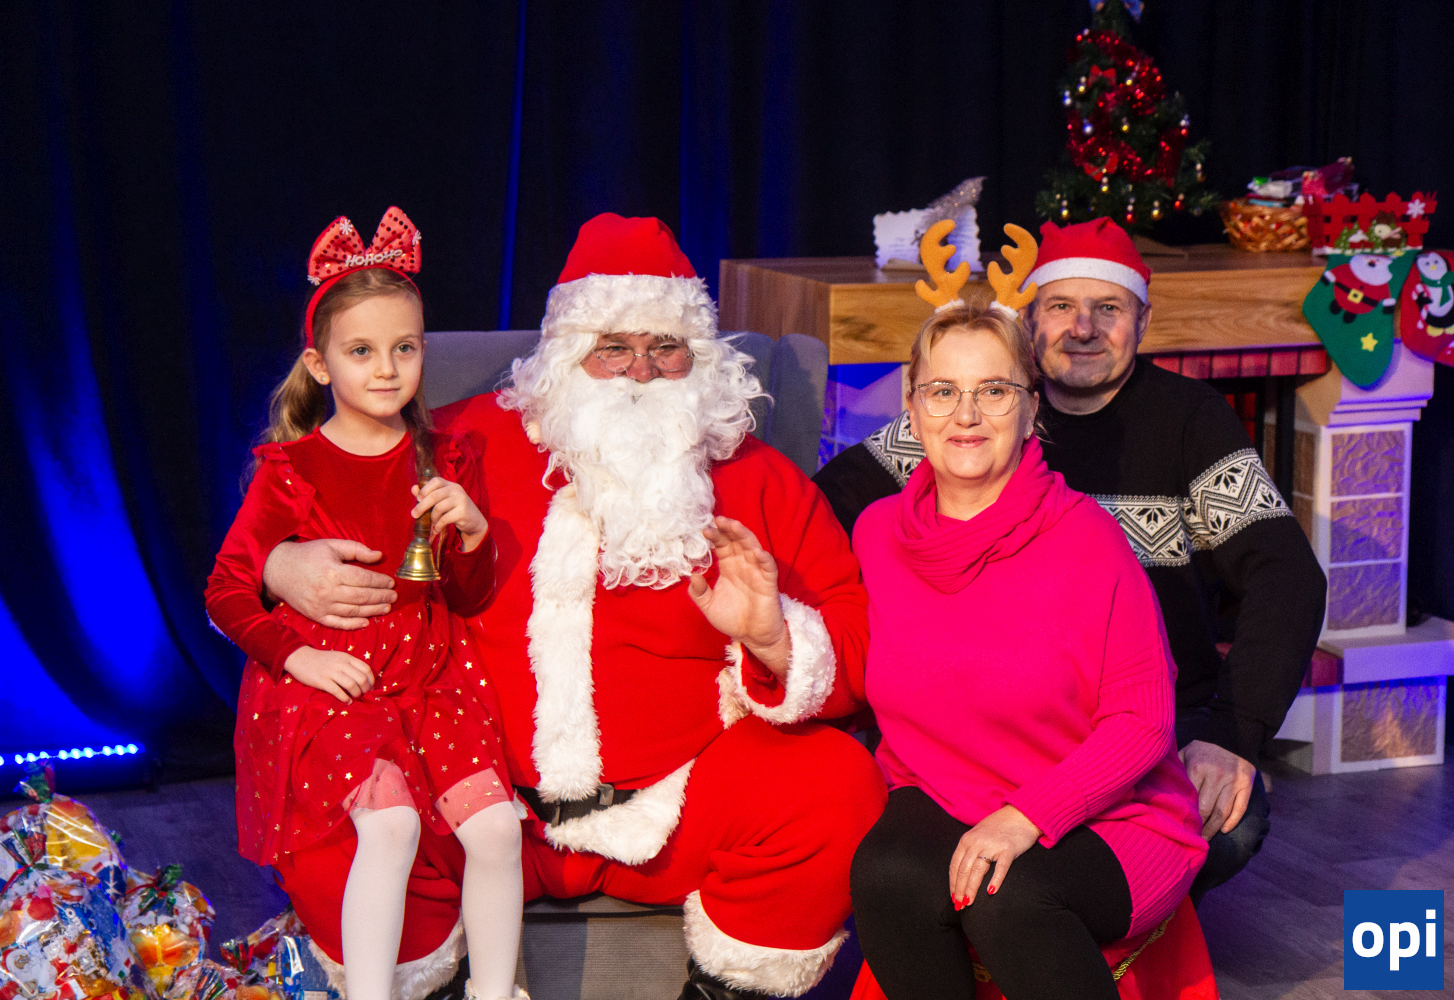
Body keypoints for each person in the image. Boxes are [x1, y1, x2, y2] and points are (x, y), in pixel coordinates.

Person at [258, 214, 886, 1000]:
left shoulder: (756, 477)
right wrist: (281, 565)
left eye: (666, 348)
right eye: (612, 347)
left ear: (698, 357)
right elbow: (302, 499)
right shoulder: (458, 443)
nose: (640, 373)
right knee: (335, 798)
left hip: (681, 809)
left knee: (838, 786)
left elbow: (856, 641)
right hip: (477, 805)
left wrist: (772, 638)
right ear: (565, 350)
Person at [816, 217, 1327, 901]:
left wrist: (1234, 733)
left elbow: (1286, 577)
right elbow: (824, 506)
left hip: (1144, 728)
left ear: (1143, 322)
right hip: (978, 729)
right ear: (1030, 320)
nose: (1083, 328)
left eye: (1108, 308)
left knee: (1229, 826)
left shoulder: (1190, 421)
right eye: (1060, 305)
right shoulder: (980, 413)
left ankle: (1110, 924)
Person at [848, 236, 1207, 1000]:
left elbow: (1143, 723)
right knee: (886, 872)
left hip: (1113, 814)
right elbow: (841, 658)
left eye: (994, 391)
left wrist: (1027, 816)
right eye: (942, 391)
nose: (966, 414)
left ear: (1031, 407)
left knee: (1007, 894)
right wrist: (764, 631)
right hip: (944, 788)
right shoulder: (878, 535)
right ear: (911, 408)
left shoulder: (1086, 540)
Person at [205, 209, 528, 1000]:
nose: (387, 370)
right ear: (319, 365)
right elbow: (225, 590)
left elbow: (465, 593)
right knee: (391, 827)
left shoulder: (445, 457)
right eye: (362, 352)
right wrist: (300, 656)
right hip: (336, 685)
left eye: (404, 348)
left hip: (431, 679)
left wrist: (474, 532)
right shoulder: (293, 469)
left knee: (496, 829)